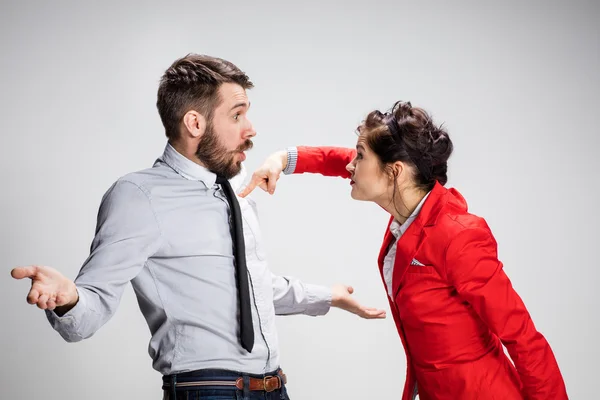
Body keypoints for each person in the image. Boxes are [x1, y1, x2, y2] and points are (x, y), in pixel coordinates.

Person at [10, 54, 386, 400]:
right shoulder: (139, 196)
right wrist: (69, 299)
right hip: (209, 391)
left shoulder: (236, 195)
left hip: (274, 387)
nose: (250, 129)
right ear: (195, 122)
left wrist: (328, 296)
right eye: (237, 115)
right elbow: (88, 314)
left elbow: (250, 288)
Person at [240, 101, 569, 399]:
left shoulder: (457, 233)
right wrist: (283, 159)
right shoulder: (408, 207)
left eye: (360, 156)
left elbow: (523, 337)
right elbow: (340, 159)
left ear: (395, 171)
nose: (351, 166)